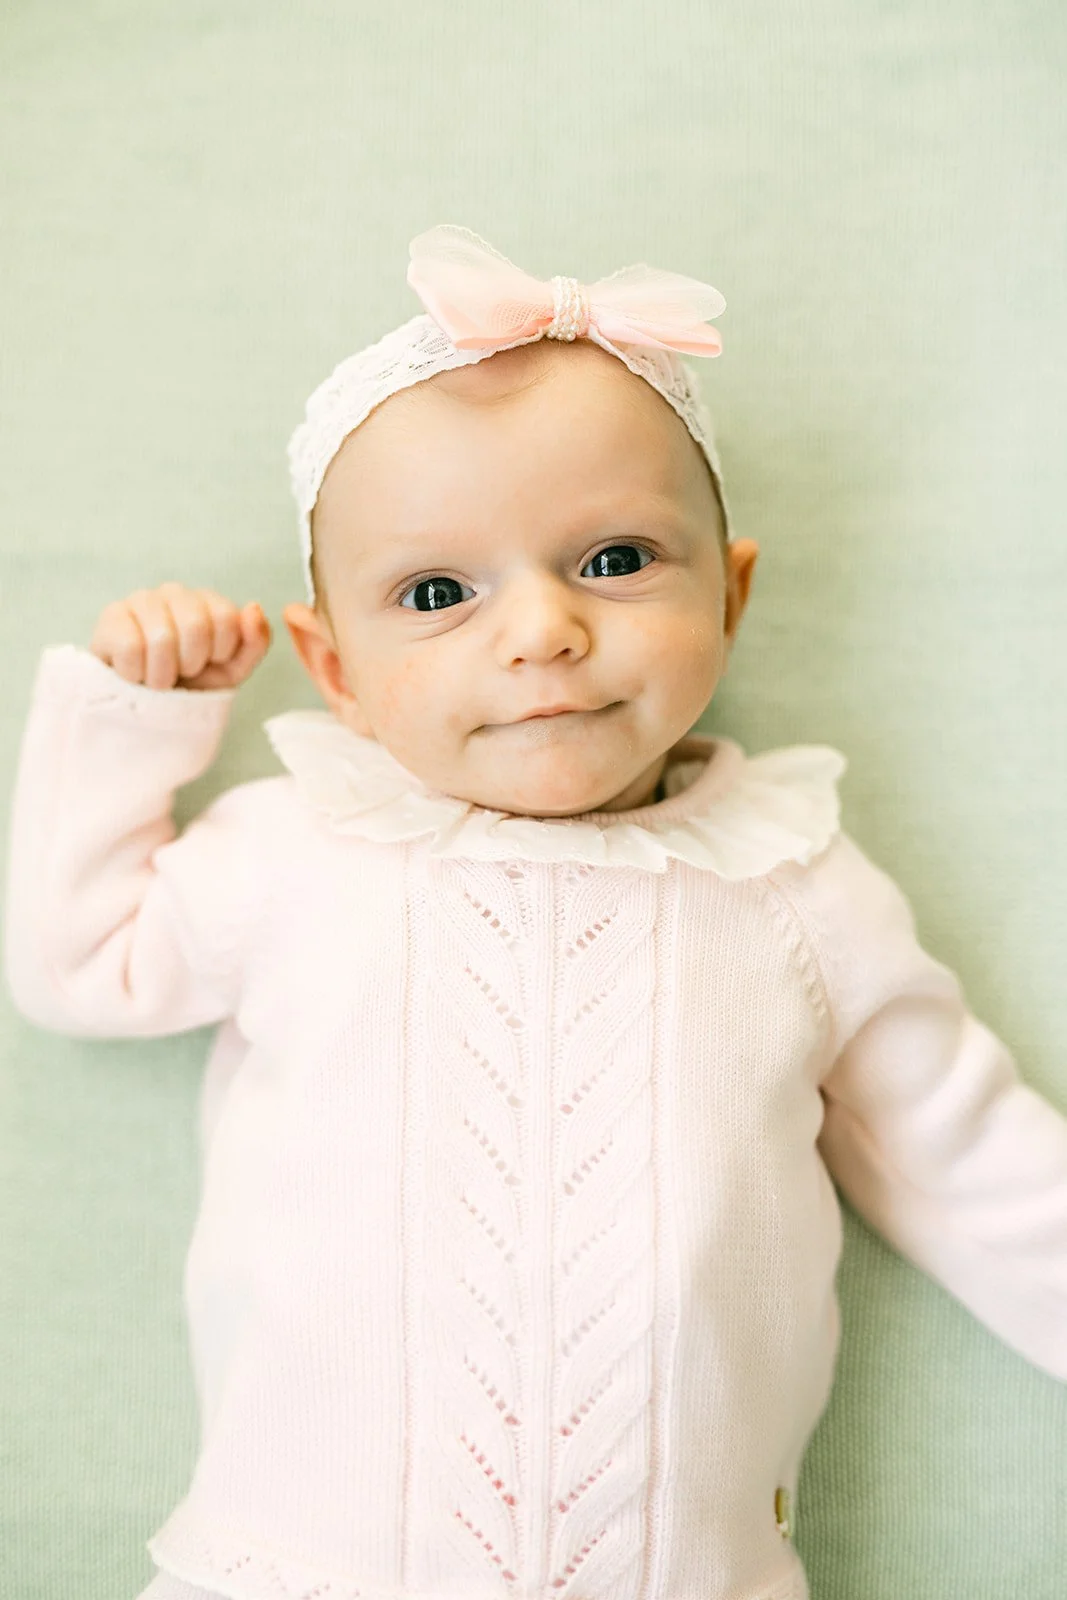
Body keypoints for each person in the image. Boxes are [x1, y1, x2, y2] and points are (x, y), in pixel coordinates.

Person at [4, 224, 1065, 1600]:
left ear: (730, 594)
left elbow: (977, 1166)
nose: (543, 631)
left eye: (616, 560)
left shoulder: (791, 883)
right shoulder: (298, 850)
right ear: (331, 665)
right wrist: (137, 720)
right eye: (437, 594)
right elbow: (79, 966)